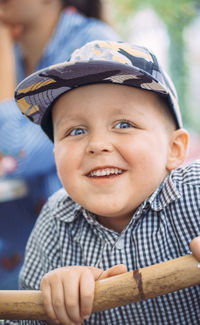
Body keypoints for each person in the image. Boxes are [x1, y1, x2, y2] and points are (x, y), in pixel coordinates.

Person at [12, 40, 200, 324]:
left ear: (174, 149)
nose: (97, 144)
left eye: (124, 125)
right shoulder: (55, 222)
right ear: (55, 154)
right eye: (76, 131)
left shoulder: (195, 191)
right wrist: (49, 306)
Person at [0, 0, 120, 289]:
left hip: (81, 267)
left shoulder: (93, 47)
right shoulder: (20, 53)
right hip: (19, 261)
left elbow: (12, 153)